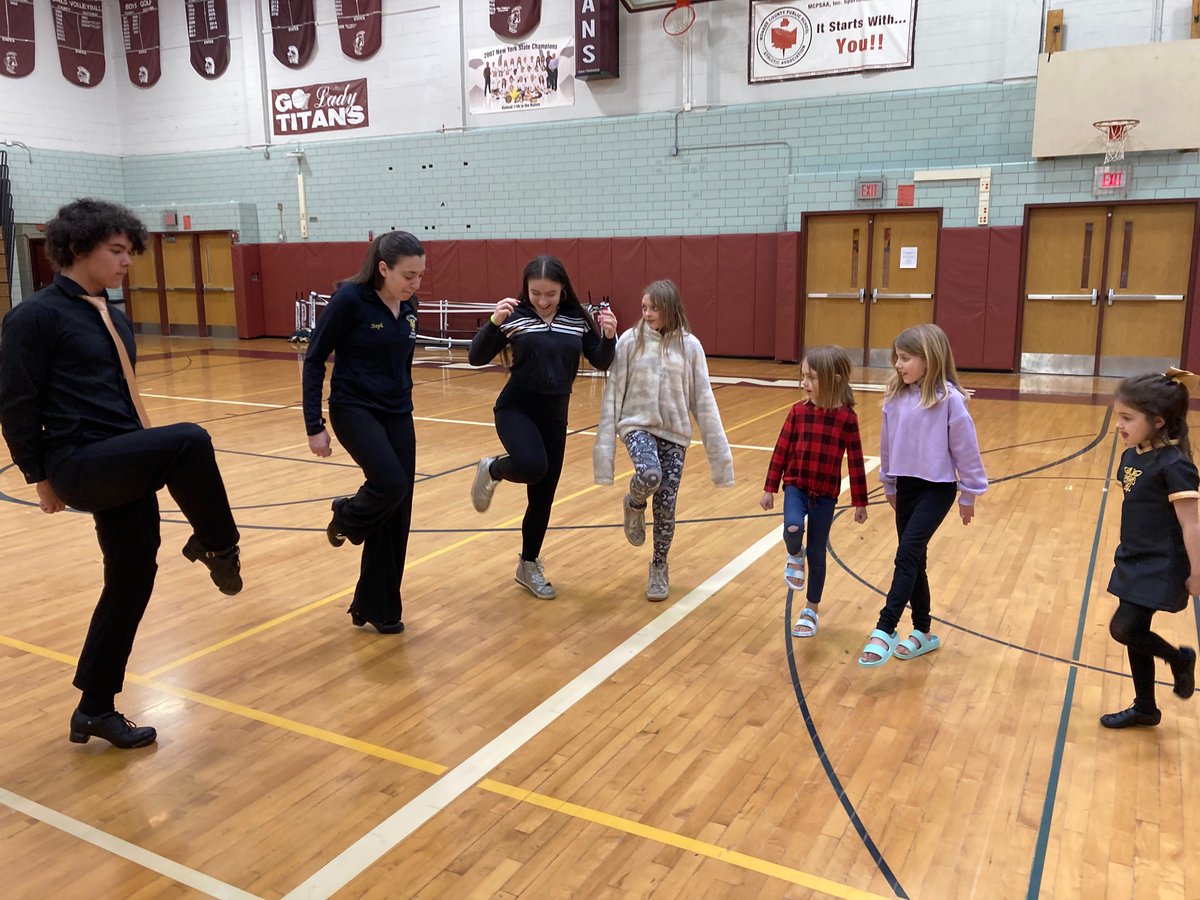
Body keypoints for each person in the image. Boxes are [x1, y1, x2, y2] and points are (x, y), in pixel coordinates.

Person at [0, 198, 242, 749]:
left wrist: (143, 450)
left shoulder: (112, 315)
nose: (127, 261)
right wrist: (40, 475)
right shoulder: (34, 317)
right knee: (191, 439)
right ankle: (219, 546)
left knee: (131, 579)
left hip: (122, 457)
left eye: (130, 251)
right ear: (78, 248)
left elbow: (123, 399)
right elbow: (15, 403)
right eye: (116, 251)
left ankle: (94, 708)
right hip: (79, 463)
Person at [469, 255, 617, 599]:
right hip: (515, 408)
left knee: (543, 497)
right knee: (533, 466)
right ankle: (493, 468)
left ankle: (528, 564)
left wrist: (608, 336)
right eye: (536, 293)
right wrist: (493, 322)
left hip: (555, 415)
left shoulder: (575, 320)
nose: (543, 300)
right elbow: (476, 358)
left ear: (563, 289)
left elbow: (600, 360)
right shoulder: (516, 317)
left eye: (550, 293)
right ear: (527, 289)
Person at [302, 231, 425, 635]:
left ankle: (378, 607)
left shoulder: (410, 306)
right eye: (408, 275)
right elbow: (315, 359)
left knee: (398, 510)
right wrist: (314, 426)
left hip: (397, 412)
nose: (415, 284)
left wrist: (403, 397)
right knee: (389, 485)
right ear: (383, 268)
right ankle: (347, 516)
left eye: (420, 275)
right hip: (354, 408)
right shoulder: (350, 300)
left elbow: (401, 362)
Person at [594, 280, 734, 600]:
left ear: (670, 308)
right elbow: (614, 388)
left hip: (675, 433)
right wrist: (604, 445)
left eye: (653, 308)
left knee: (667, 506)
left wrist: (720, 457)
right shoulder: (631, 341)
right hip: (637, 425)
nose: (647, 313)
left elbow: (704, 400)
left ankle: (658, 566)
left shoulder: (691, 346)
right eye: (644, 307)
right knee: (649, 474)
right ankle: (634, 502)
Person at [859, 323, 986, 667]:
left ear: (930, 359)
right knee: (916, 560)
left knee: (907, 553)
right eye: (896, 358)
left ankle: (885, 628)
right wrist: (888, 483)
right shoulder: (895, 398)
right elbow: (887, 445)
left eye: (905, 358)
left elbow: (966, 450)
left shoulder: (950, 401)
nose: (898, 365)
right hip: (907, 487)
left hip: (937, 489)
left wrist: (969, 493)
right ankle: (923, 631)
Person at [1099, 370, 1199, 728]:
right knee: (1134, 632)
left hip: (1163, 563)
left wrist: (1197, 571)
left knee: (1125, 628)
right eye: (1118, 417)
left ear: (1158, 421)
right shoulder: (1132, 457)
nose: (1119, 426)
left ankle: (1178, 659)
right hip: (1133, 557)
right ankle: (1145, 707)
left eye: (1127, 418)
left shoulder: (1176, 466)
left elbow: (1192, 524)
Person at [760, 346, 868, 636]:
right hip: (796, 486)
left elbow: (856, 462)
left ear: (833, 380)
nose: (805, 383)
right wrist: (770, 487)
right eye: (803, 376)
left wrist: (860, 502)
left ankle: (811, 609)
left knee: (818, 553)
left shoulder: (847, 419)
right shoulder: (797, 412)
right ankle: (794, 554)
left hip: (825, 496)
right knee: (793, 527)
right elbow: (780, 452)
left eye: (812, 378)